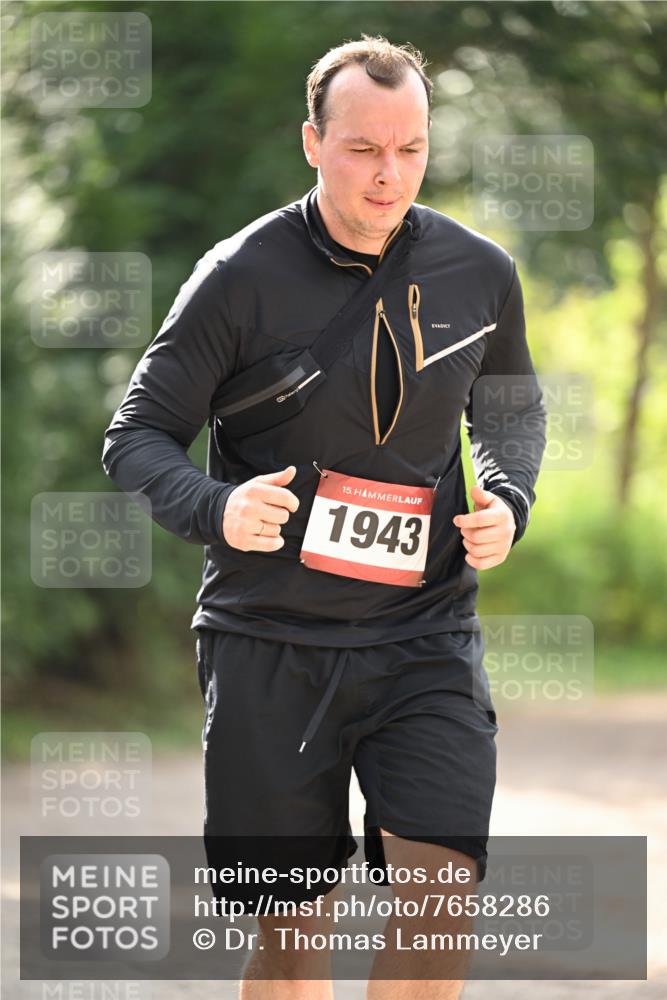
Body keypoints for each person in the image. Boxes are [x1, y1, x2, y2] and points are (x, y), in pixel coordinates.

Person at [102, 34, 546, 1000]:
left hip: (422, 635)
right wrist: (216, 507)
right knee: (292, 938)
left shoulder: (479, 270)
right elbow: (136, 437)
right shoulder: (239, 275)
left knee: (439, 903)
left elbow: (511, 411)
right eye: (363, 149)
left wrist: (508, 497)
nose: (389, 174)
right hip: (270, 642)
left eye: (410, 149)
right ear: (312, 143)